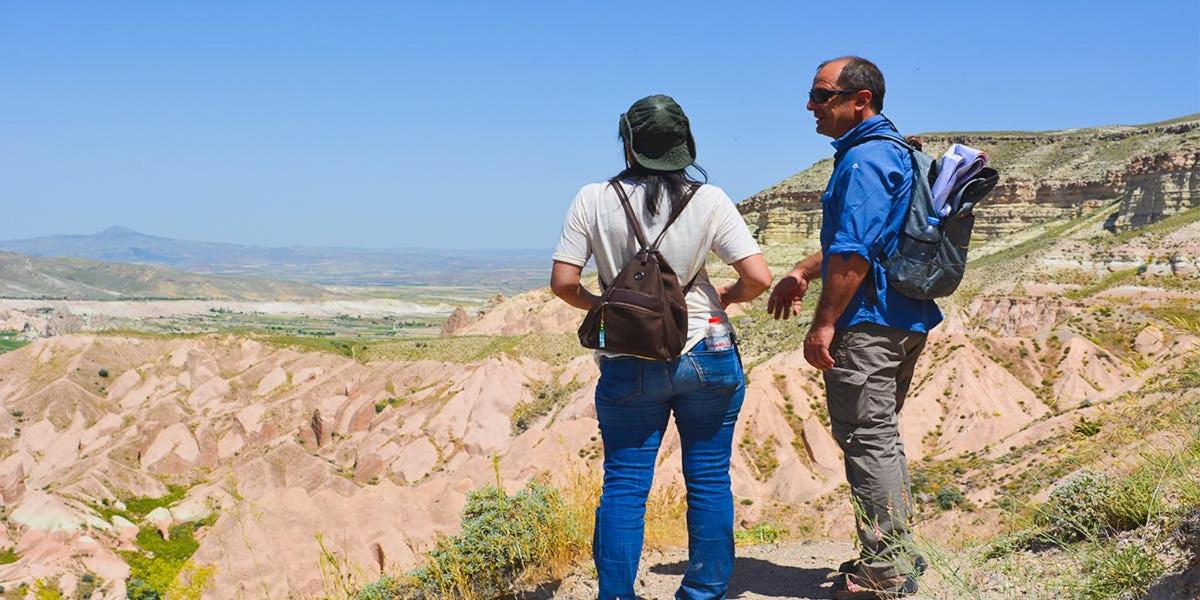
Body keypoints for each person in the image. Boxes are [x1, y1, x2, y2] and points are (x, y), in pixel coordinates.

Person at [551, 94, 772, 600]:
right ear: (683, 144)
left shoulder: (592, 198)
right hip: (708, 351)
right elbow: (758, 277)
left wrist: (606, 309)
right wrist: (726, 301)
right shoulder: (709, 199)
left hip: (630, 358)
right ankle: (702, 593)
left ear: (628, 142)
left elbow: (564, 283)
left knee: (625, 486)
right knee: (711, 479)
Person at [767, 57, 940, 599]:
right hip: (907, 316)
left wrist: (823, 324)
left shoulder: (863, 160)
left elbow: (854, 254)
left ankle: (885, 572)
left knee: (868, 441)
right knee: (881, 437)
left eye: (822, 96)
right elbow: (866, 236)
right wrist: (802, 269)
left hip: (869, 323)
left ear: (859, 100)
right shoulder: (897, 151)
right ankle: (891, 551)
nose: (811, 106)